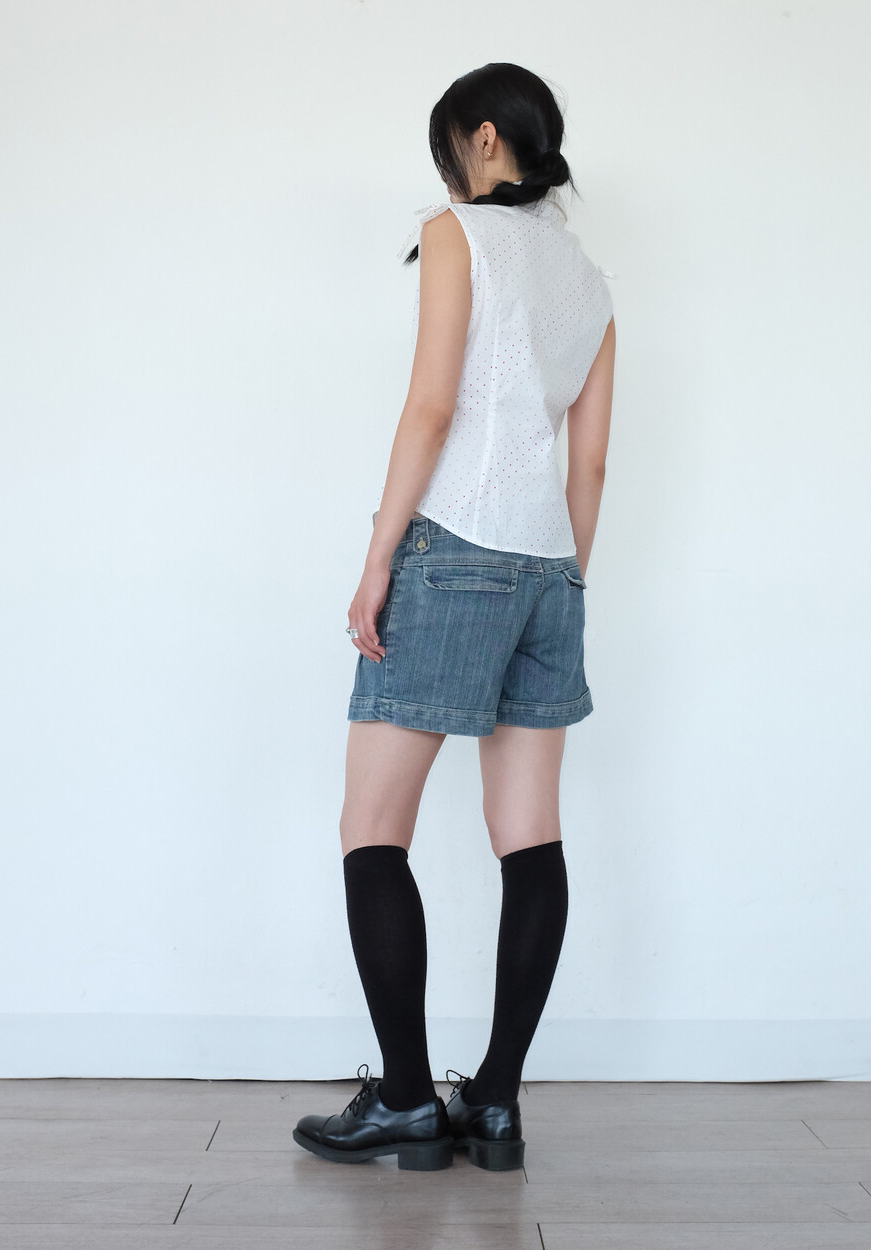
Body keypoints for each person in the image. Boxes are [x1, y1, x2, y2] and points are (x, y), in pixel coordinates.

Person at [292, 62, 616, 1173]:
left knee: (371, 827)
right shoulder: (590, 281)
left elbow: (432, 406)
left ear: (483, 139)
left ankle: (402, 1100)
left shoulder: (456, 234)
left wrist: (379, 555)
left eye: (449, 152)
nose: (446, 176)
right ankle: (496, 1102)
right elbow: (590, 463)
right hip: (552, 569)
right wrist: (561, 581)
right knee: (531, 837)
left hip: (454, 549)